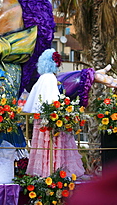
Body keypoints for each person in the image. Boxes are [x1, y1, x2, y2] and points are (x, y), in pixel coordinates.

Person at [23, 49, 85, 177]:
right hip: (52, 121)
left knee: (43, 147)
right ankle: (55, 172)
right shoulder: (50, 78)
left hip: (41, 120)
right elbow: (53, 101)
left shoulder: (41, 79)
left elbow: (35, 102)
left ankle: (43, 172)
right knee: (54, 147)